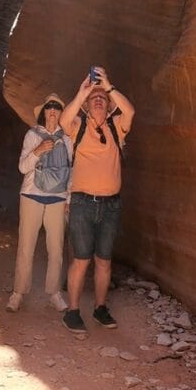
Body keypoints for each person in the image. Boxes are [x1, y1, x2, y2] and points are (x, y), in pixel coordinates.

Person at [59, 68, 134, 337]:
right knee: (80, 260)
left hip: (111, 205)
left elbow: (130, 111)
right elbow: (64, 120)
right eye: (95, 97)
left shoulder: (116, 127)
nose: (99, 99)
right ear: (88, 106)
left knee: (104, 260)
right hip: (82, 203)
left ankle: (100, 308)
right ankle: (73, 311)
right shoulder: (78, 127)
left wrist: (109, 86)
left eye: (102, 97)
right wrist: (82, 93)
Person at [6, 93, 72, 314]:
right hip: (31, 196)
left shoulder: (68, 138)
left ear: (61, 113)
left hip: (57, 199)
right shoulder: (32, 135)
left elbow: (71, 172)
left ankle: (54, 293)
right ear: (44, 112)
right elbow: (23, 168)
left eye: (57, 107)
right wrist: (38, 151)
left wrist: (68, 200)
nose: (52, 110)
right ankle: (18, 293)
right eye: (49, 106)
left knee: (56, 249)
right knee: (26, 246)